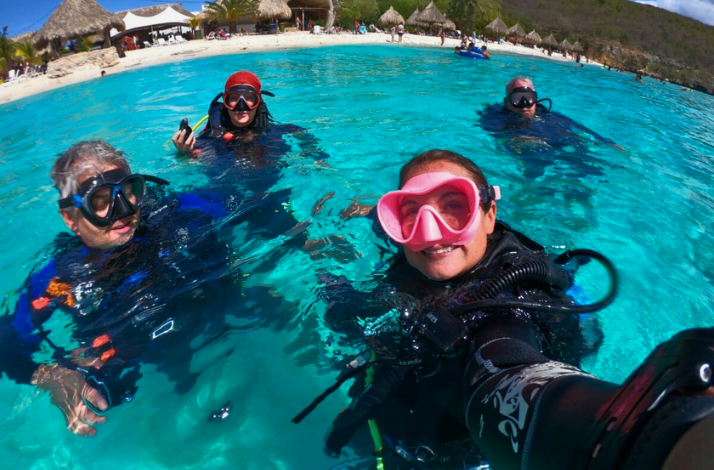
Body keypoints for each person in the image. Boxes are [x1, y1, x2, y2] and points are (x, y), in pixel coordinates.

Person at [298, 150, 714, 470]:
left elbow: (509, 371)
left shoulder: (513, 304)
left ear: (489, 215)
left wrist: (651, 439)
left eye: (453, 206)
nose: (430, 231)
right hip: (390, 425)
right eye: (410, 212)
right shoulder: (412, 250)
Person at [0, 141, 307, 436]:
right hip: (159, 353)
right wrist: (50, 375)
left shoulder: (177, 213)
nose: (122, 211)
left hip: (235, 309)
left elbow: (251, 198)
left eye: (128, 192)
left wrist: (304, 237)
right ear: (70, 217)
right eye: (100, 201)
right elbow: (6, 343)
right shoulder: (58, 280)